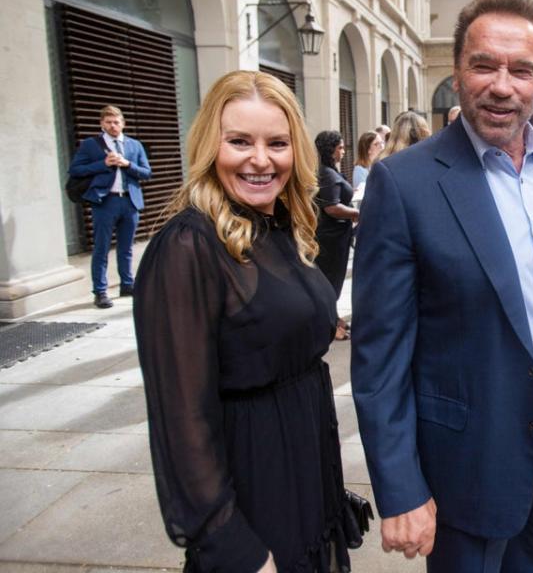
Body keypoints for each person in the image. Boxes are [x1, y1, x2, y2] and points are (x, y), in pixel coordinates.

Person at [352, 0, 533, 572]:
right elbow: (379, 355)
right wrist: (400, 487)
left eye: (521, 69)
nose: (502, 84)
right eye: (484, 64)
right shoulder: (404, 183)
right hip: (464, 457)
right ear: (458, 72)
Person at [133, 71, 359, 572]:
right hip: (252, 491)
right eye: (239, 141)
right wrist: (232, 545)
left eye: (276, 143)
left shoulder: (277, 227)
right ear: (210, 146)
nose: (261, 160)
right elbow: (181, 421)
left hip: (304, 478)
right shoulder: (188, 246)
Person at [67, 105, 151, 308]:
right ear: (101, 124)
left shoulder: (134, 145)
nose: (113, 126)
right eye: (108, 122)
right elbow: (75, 169)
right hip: (105, 201)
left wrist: (127, 164)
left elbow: (147, 172)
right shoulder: (90, 145)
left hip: (129, 201)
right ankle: (100, 291)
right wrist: (103, 164)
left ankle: (127, 284)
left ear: (123, 123)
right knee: (101, 247)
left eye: (116, 122)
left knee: (126, 247)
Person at [314, 130, 360, 341]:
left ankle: (335, 319)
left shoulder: (329, 171)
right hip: (330, 238)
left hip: (337, 237)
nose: (343, 151)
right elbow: (331, 207)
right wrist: (358, 212)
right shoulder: (326, 173)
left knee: (335, 281)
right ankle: (331, 326)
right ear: (330, 150)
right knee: (330, 282)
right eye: (340, 147)